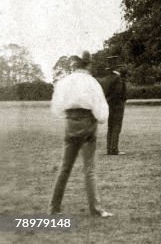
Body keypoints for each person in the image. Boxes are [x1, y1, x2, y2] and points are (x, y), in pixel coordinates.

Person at [49, 52, 113, 217]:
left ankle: (54, 208)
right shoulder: (92, 82)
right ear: (88, 65)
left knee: (65, 167)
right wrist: (99, 119)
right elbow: (100, 108)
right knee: (89, 168)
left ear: (76, 65)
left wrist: (70, 117)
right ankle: (96, 209)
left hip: (70, 122)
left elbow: (56, 106)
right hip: (87, 122)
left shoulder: (64, 82)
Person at [101, 65, 127, 155]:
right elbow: (119, 93)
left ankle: (109, 148)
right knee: (116, 127)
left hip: (109, 105)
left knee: (110, 126)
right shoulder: (118, 79)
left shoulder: (106, 78)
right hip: (117, 106)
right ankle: (114, 149)